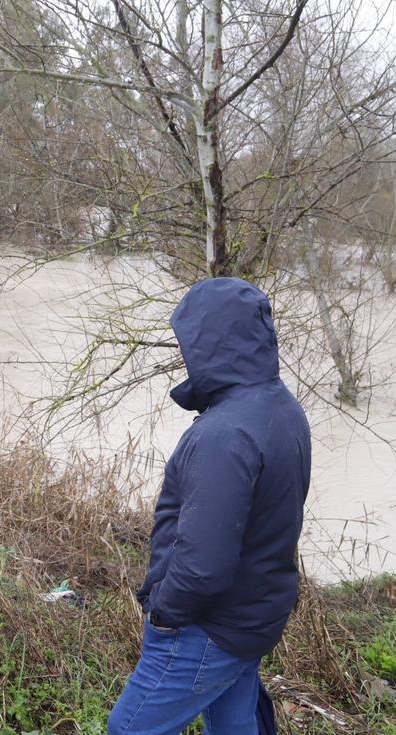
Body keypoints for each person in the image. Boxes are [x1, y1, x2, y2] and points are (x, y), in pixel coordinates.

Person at [109, 277, 311, 735]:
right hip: (255, 616)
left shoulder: (223, 435)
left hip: (208, 628)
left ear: (211, 343)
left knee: (129, 729)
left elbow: (203, 565)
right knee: (233, 722)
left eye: (190, 341)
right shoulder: (282, 408)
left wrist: (163, 613)